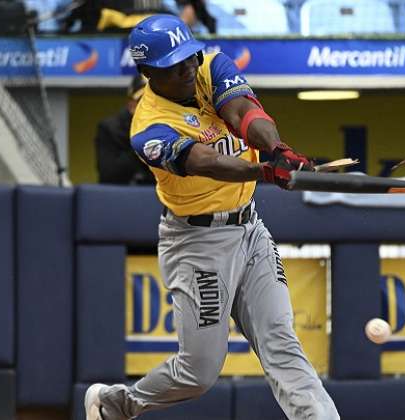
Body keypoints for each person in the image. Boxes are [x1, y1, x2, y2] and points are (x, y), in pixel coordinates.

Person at [84, 14, 339, 420]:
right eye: (174, 64)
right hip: (196, 242)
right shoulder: (147, 128)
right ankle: (117, 403)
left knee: (282, 343)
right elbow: (206, 161)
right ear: (148, 72)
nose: (187, 68)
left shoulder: (210, 65)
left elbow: (243, 113)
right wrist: (264, 172)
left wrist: (277, 151)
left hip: (249, 229)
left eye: (189, 56)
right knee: (198, 372)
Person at [94, 74, 155, 185]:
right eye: (143, 100)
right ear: (131, 105)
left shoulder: (168, 128)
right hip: (120, 197)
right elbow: (108, 175)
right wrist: (142, 142)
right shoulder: (109, 128)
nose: (150, 106)